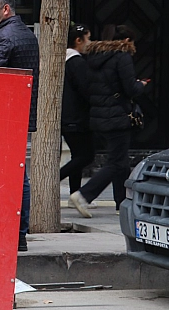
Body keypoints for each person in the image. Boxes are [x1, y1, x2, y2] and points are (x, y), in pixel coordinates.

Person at [0, 0, 39, 252]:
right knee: (19, 174)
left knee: (7, 175)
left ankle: (12, 234)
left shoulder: (2, 38)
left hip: (0, 118)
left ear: (5, 9)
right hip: (19, 114)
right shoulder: (26, 34)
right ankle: (20, 234)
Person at [69, 25, 147, 218]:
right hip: (117, 117)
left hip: (99, 117)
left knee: (119, 161)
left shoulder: (94, 58)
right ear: (127, 41)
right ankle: (84, 195)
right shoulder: (122, 57)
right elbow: (130, 89)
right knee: (116, 162)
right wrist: (141, 85)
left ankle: (122, 202)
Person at [60, 23, 95, 207]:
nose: (90, 43)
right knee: (86, 155)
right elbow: (86, 90)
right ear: (78, 40)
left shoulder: (65, 61)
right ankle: (60, 180)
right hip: (77, 117)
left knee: (77, 156)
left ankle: (75, 193)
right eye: (88, 38)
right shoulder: (77, 62)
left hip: (68, 116)